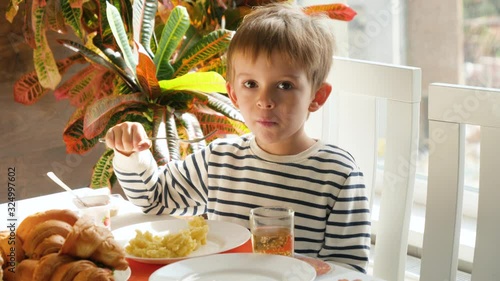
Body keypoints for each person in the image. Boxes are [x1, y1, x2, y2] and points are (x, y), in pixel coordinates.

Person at [105, 3, 371, 273]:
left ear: (317, 97)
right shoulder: (220, 159)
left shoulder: (338, 174)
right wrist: (131, 154)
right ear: (233, 95)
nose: (265, 101)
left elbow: (348, 269)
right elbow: (154, 198)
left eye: (285, 85)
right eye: (251, 84)